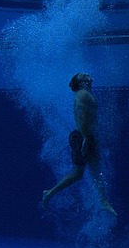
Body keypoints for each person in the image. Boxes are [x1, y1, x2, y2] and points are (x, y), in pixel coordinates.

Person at [42, 73, 117, 216]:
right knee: (84, 173)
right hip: (83, 137)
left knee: (85, 173)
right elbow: (82, 118)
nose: (90, 77)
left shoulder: (86, 94)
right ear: (81, 82)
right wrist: (86, 138)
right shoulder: (83, 95)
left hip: (87, 137)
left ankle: (103, 201)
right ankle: (50, 193)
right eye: (86, 76)